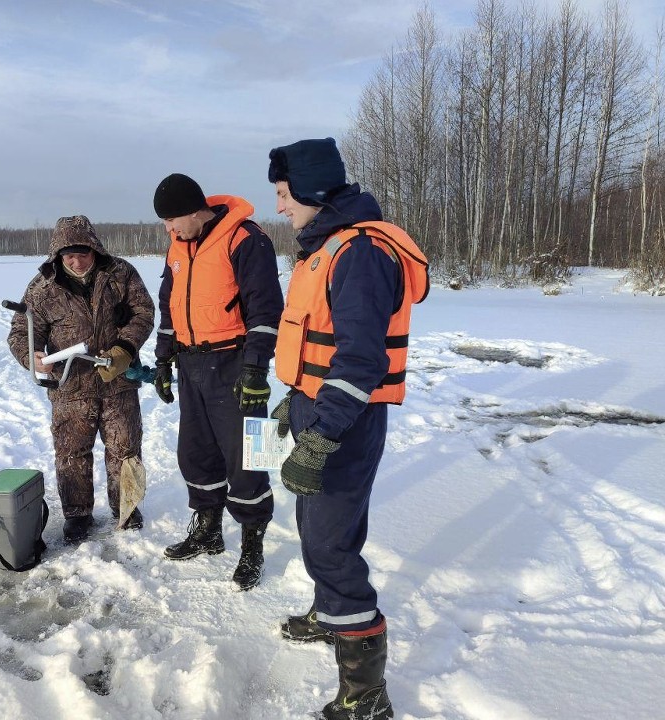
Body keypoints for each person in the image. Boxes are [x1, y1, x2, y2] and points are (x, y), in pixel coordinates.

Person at [267, 138, 428, 720]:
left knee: (333, 547)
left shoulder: (358, 254)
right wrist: (296, 402)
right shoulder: (329, 247)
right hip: (321, 408)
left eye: (284, 195)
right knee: (315, 529)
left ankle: (367, 695)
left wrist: (320, 436)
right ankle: (328, 612)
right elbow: (321, 342)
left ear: (311, 191)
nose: (281, 207)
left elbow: (361, 361)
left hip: (345, 421)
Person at [151, 173, 284, 590]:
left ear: (195, 211)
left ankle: (253, 544)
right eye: (165, 225)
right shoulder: (178, 246)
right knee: (195, 452)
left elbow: (266, 308)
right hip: (191, 364)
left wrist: (256, 368)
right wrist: (162, 360)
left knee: (250, 458)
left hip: (235, 362)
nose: (169, 230)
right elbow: (170, 307)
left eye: (173, 221)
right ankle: (208, 529)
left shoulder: (245, 238)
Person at [7, 215, 155, 544]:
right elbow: (21, 331)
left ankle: (127, 508)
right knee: (71, 453)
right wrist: (30, 356)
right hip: (70, 388)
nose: (76, 261)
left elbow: (144, 311)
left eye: (82, 254)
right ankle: (77, 515)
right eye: (68, 255)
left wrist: (125, 347)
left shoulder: (121, 273)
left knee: (126, 449)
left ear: (94, 249)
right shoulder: (42, 287)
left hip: (119, 382)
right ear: (57, 255)